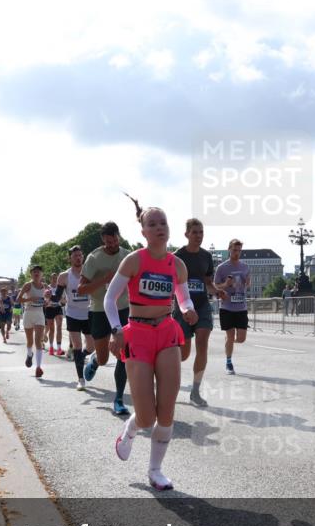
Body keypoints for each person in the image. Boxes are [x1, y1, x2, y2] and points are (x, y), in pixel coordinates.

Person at [104, 201, 196, 490]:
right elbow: (109, 299)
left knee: (167, 411)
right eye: (153, 224)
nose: (159, 228)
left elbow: (182, 297)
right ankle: (130, 431)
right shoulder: (134, 260)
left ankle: (155, 470)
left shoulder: (176, 265)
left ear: (169, 229)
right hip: (138, 335)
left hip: (167, 333)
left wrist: (188, 309)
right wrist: (116, 330)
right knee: (147, 416)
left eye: (163, 223)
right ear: (143, 231)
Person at [79, 221, 131, 415]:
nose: (112, 244)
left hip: (123, 309)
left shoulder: (127, 256)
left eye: (114, 240)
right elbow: (82, 289)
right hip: (100, 310)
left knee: (123, 354)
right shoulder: (94, 258)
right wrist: (104, 279)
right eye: (108, 242)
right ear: (103, 240)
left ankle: (118, 399)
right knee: (103, 358)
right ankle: (93, 361)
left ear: (119, 236)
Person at [173, 218, 219, 406]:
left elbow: (208, 282)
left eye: (201, 232)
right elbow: (171, 284)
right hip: (183, 308)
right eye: (195, 232)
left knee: (202, 342)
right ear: (186, 234)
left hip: (202, 305)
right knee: (183, 354)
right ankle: (166, 379)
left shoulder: (206, 257)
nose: (199, 236)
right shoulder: (177, 256)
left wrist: (218, 291)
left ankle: (195, 391)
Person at [59, 245, 94, 391]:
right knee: (78, 346)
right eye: (75, 256)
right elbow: (57, 296)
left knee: (91, 346)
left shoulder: (90, 272)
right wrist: (51, 297)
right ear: (70, 258)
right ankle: (81, 379)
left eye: (80, 255)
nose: (78, 258)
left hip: (89, 313)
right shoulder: (64, 276)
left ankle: (79, 357)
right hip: (73, 314)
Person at [213, 239, 250, 375]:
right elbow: (215, 286)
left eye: (239, 250)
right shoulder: (222, 267)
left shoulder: (245, 267)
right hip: (227, 307)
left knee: (241, 338)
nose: (237, 253)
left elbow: (247, 283)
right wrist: (226, 284)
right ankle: (229, 363)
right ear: (229, 249)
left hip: (241, 306)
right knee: (230, 336)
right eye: (235, 250)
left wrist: (248, 282)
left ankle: (229, 343)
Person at [19, 266, 48, 377]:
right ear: (31, 274)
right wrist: (30, 299)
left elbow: (47, 300)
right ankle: (29, 354)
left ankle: (38, 367)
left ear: (42, 274)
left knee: (38, 341)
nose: (36, 273)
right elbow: (18, 299)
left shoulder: (45, 286)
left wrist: (46, 302)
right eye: (34, 272)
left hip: (40, 314)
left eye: (38, 272)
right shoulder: (28, 285)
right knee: (30, 341)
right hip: (28, 314)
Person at [44, 272, 65, 357]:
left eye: (56, 278)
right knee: (52, 329)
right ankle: (51, 348)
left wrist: (62, 301)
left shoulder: (60, 288)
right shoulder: (47, 288)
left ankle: (59, 348)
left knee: (59, 327)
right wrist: (47, 301)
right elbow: (44, 300)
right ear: (50, 279)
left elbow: (63, 299)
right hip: (49, 309)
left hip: (58, 308)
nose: (54, 279)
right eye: (53, 278)